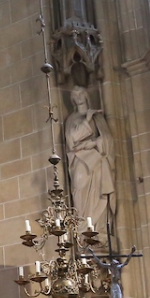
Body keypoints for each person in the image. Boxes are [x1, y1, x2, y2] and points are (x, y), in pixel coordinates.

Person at [63, 85, 115, 232]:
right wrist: (87, 119)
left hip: (97, 161)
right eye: (75, 95)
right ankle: (83, 228)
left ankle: (98, 229)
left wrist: (94, 143)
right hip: (80, 160)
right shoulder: (72, 119)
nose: (78, 97)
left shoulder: (97, 117)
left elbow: (107, 139)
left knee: (98, 192)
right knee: (80, 188)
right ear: (72, 99)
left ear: (86, 95)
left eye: (81, 93)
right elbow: (72, 140)